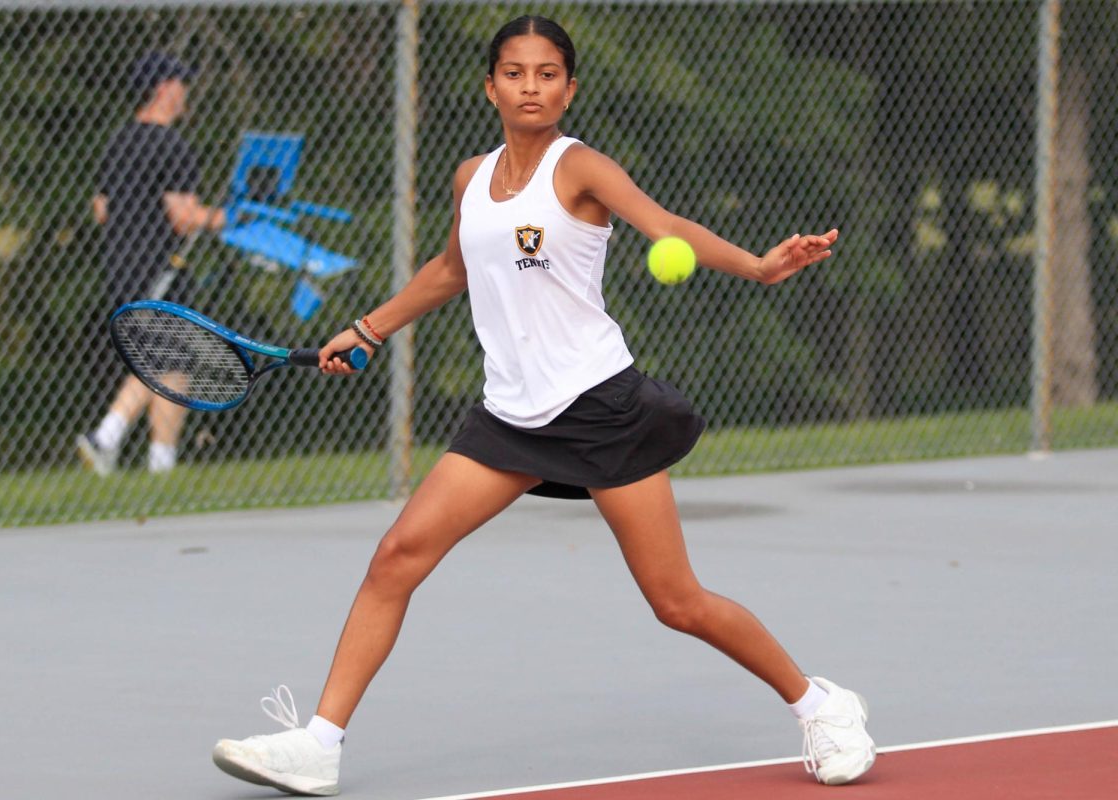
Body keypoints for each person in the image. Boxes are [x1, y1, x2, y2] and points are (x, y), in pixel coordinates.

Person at [211, 16, 875, 796]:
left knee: (677, 602)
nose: (532, 86)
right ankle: (319, 743)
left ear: (570, 87)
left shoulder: (581, 168)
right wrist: (367, 327)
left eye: (548, 73)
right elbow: (451, 269)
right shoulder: (471, 178)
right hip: (509, 418)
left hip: (599, 408)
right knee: (396, 558)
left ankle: (822, 705)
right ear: (490, 84)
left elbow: (667, 227)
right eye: (516, 72)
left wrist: (760, 268)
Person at [77, 51, 227, 476]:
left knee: (172, 363)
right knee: (161, 362)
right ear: (164, 89)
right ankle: (105, 435)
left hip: (122, 266)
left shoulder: (119, 141)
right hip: (160, 267)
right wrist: (229, 217)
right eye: (181, 84)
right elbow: (184, 217)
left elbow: (101, 208)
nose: (185, 93)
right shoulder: (171, 145)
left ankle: (161, 465)